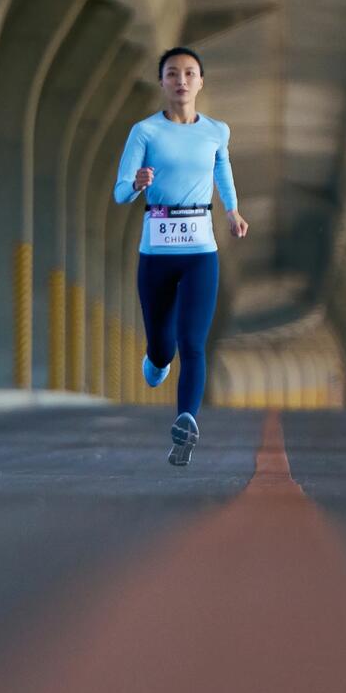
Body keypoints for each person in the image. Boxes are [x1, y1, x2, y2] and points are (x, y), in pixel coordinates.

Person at [113, 47, 249, 466]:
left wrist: (232, 210)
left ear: (201, 82)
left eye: (190, 73)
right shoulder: (144, 133)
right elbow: (119, 194)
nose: (182, 80)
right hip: (156, 249)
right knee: (162, 347)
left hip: (199, 252)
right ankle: (155, 363)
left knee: (192, 342)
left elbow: (221, 168)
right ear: (162, 82)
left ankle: (186, 422)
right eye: (172, 73)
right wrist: (136, 183)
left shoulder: (216, 131)